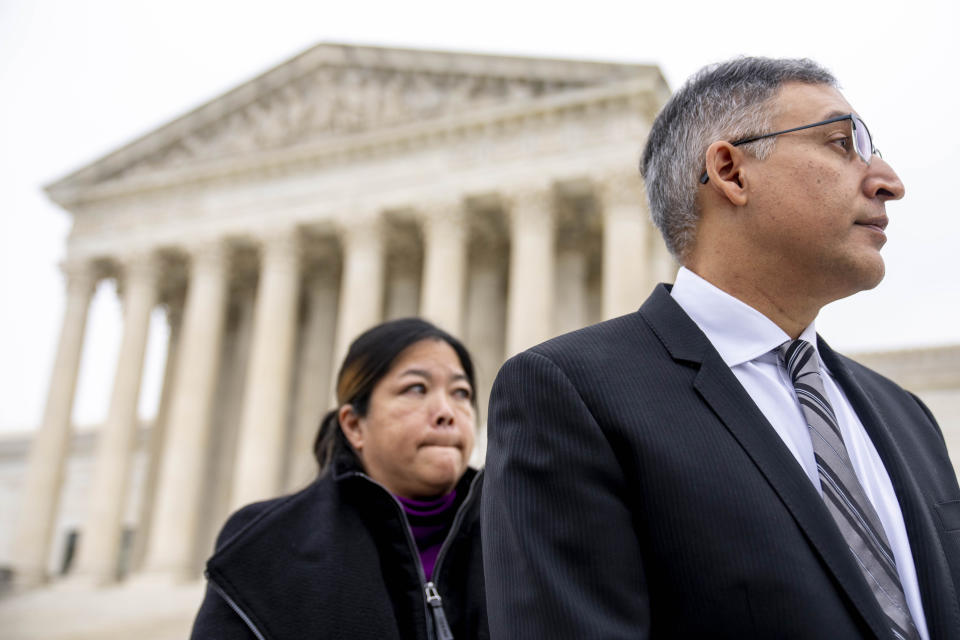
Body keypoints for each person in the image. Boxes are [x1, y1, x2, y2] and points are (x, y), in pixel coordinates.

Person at [482, 57, 960, 639]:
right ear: (731, 171)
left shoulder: (906, 416)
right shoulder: (572, 396)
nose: (888, 180)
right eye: (842, 144)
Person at [191, 318, 487, 639]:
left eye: (461, 392)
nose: (447, 412)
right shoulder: (264, 546)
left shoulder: (519, 534)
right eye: (416, 388)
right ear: (354, 426)